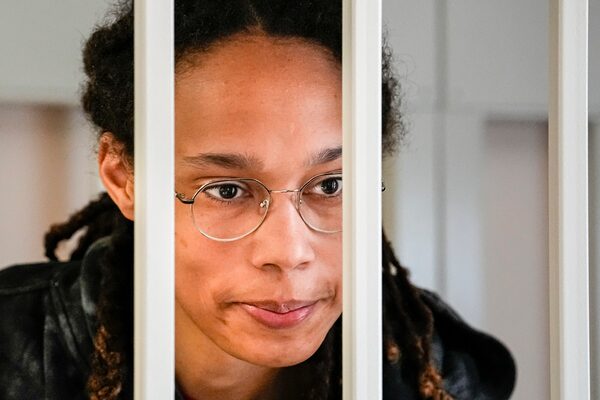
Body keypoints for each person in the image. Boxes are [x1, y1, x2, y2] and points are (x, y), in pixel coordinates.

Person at [0, 1, 516, 399]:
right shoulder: (13, 349)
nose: (289, 252)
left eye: (331, 185)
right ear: (122, 177)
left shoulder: (436, 375)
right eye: (227, 190)